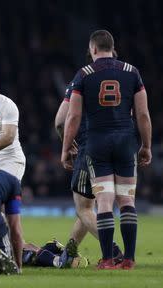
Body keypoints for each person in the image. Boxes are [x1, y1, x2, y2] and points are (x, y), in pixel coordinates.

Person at [62, 30, 152, 270]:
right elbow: (143, 114)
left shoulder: (84, 74)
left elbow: (73, 116)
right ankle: (129, 259)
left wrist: (64, 148)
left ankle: (109, 259)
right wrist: (147, 146)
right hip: (125, 141)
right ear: (112, 47)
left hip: (97, 142)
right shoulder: (132, 72)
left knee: (103, 201)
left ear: (93, 49)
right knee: (126, 200)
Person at [54, 52, 123, 262]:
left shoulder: (83, 77)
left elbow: (61, 120)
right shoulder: (127, 77)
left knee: (83, 208)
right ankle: (69, 253)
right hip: (120, 147)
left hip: (91, 146)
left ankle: (113, 252)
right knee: (90, 206)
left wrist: (66, 144)